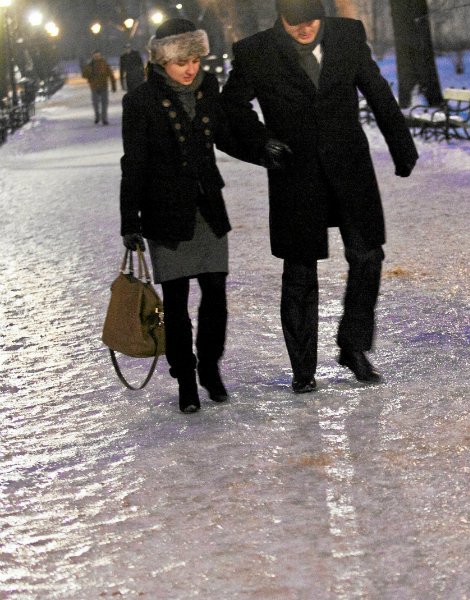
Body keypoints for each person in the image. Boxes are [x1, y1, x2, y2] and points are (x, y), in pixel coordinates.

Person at [221, 0, 418, 393]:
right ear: (280, 18)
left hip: (350, 168)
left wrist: (402, 146)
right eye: (293, 22)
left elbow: (377, 90)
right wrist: (262, 144)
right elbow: (231, 106)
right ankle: (303, 367)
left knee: (368, 255)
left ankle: (354, 345)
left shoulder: (347, 36)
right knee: (299, 271)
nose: (304, 29)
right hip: (296, 175)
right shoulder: (254, 51)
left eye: (311, 20)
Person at [119, 19, 250, 413]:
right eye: (180, 62)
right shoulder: (140, 100)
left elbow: (226, 135)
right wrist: (130, 220)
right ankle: (187, 380)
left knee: (215, 296)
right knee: (175, 303)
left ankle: (209, 367)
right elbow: (134, 164)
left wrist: (265, 153)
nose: (190, 68)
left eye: (194, 58)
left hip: (208, 207)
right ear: (162, 61)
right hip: (165, 213)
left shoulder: (209, 87)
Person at [81, 51, 116, 124]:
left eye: (98, 56)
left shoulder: (104, 64)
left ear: (100, 56)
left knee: (104, 103)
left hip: (103, 86)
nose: (97, 57)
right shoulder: (90, 65)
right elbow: (84, 75)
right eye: (95, 56)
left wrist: (113, 85)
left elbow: (111, 75)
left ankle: (104, 118)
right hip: (94, 87)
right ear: (93, 56)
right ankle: (97, 115)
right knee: (95, 103)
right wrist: (87, 71)